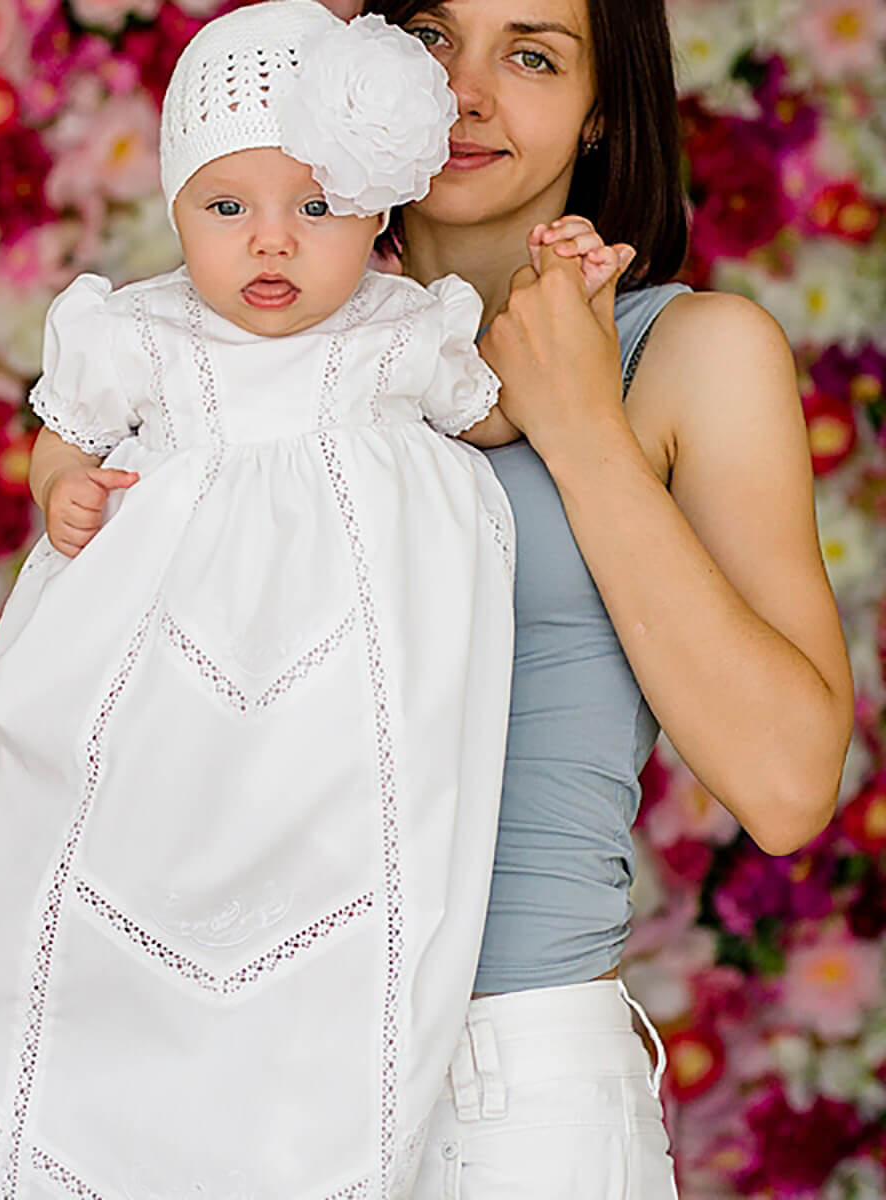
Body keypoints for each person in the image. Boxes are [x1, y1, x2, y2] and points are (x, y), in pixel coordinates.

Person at [0, 3, 631, 1197]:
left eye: (316, 209)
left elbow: (503, 412)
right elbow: (64, 431)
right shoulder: (143, 329)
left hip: (339, 701)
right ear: (179, 209)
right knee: (99, 852)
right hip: (164, 680)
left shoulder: (404, 328)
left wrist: (571, 306)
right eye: (227, 209)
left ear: (377, 210)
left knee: (334, 901)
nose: (272, 246)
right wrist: (64, 490)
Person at [349, 0, 855, 1195]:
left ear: (599, 116)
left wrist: (579, 428)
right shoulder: (260, 343)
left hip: (508, 1086)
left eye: (532, 55)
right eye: (432, 37)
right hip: (256, 1053)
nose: (466, 93)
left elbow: (787, 785)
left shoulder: (691, 355)